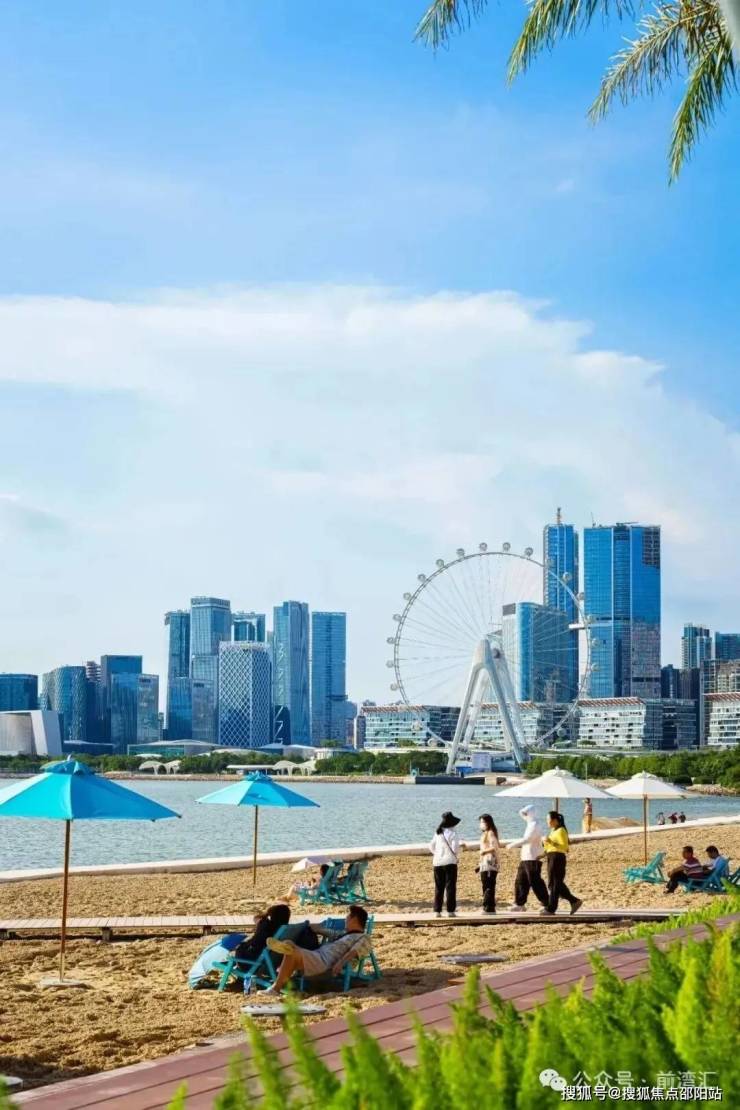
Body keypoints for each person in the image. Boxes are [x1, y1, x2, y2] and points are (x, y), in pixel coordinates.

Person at [260, 904, 372, 996]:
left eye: (347, 918)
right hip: (317, 955)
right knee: (289, 944)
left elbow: (354, 952)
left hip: (325, 962)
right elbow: (325, 931)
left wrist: (340, 963)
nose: (345, 920)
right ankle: (284, 948)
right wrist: (313, 927)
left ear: (354, 919)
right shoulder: (343, 934)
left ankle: (275, 989)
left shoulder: (364, 937)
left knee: (292, 952)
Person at [506, 804, 549, 911]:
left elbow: (527, 839)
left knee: (535, 881)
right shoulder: (530, 824)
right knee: (521, 880)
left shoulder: (535, 825)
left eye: (526, 813)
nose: (524, 815)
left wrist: (512, 844)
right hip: (525, 857)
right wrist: (523, 811)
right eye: (524, 813)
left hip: (533, 857)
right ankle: (519, 904)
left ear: (531, 813)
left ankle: (546, 904)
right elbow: (521, 814)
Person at [541, 811, 583, 916]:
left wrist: (549, 841)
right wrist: (543, 852)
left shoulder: (561, 831)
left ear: (555, 820)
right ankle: (574, 901)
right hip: (551, 856)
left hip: (557, 858)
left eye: (548, 820)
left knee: (555, 884)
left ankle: (551, 909)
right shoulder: (553, 831)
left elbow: (565, 847)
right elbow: (549, 846)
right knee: (554, 883)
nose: (547, 822)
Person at [429, 811, 463, 917]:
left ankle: (437, 911)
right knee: (450, 887)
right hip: (450, 862)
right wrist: (461, 850)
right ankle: (450, 911)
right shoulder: (453, 833)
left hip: (437, 862)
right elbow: (455, 849)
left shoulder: (438, 832)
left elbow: (431, 846)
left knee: (439, 887)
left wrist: (437, 853)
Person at [477, 813, 500, 913]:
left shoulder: (490, 833)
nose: (481, 824)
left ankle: (489, 907)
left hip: (490, 863)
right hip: (485, 863)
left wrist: (484, 852)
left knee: (488, 885)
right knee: (486, 885)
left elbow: (494, 847)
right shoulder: (485, 833)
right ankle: (488, 906)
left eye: (483, 822)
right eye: (480, 822)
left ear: (488, 822)